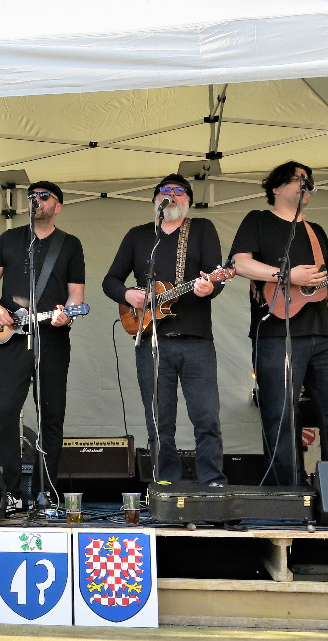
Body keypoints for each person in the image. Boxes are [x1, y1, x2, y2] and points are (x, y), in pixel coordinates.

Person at [229, 161, 328, 486]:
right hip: (275, 335)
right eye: (298, 179)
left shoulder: (315, 231)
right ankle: (288, 493)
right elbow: (239, 264)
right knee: (281, 417)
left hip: (323, 334)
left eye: (308, 180)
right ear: (276, 188)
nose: (305, 184)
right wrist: (286, 275)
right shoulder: (258, 220)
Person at [102, 174, 227, 484]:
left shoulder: (202, 229)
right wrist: (128, 295)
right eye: (166, 190)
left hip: (197, 341)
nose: (172, 194)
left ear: (189, 200)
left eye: (179, 191)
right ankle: (165, 485)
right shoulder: (138, 235)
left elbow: (217, 276)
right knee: (159, 423)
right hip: (151, 341)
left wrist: (209, 287)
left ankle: (212, 483)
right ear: (156, 199)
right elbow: (110, 280)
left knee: (206, 417)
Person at [0, 180, 85, 507]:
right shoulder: (9, 239)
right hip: (12, 338)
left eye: (43, 196)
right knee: (5, 412)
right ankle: (9, 492)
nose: (36, 200)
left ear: (58, 205)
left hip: (52, 338)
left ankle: (45, 491)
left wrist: (67, 316)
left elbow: (76, 295)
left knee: (51, 414)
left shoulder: (70, 244)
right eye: (32, 196)